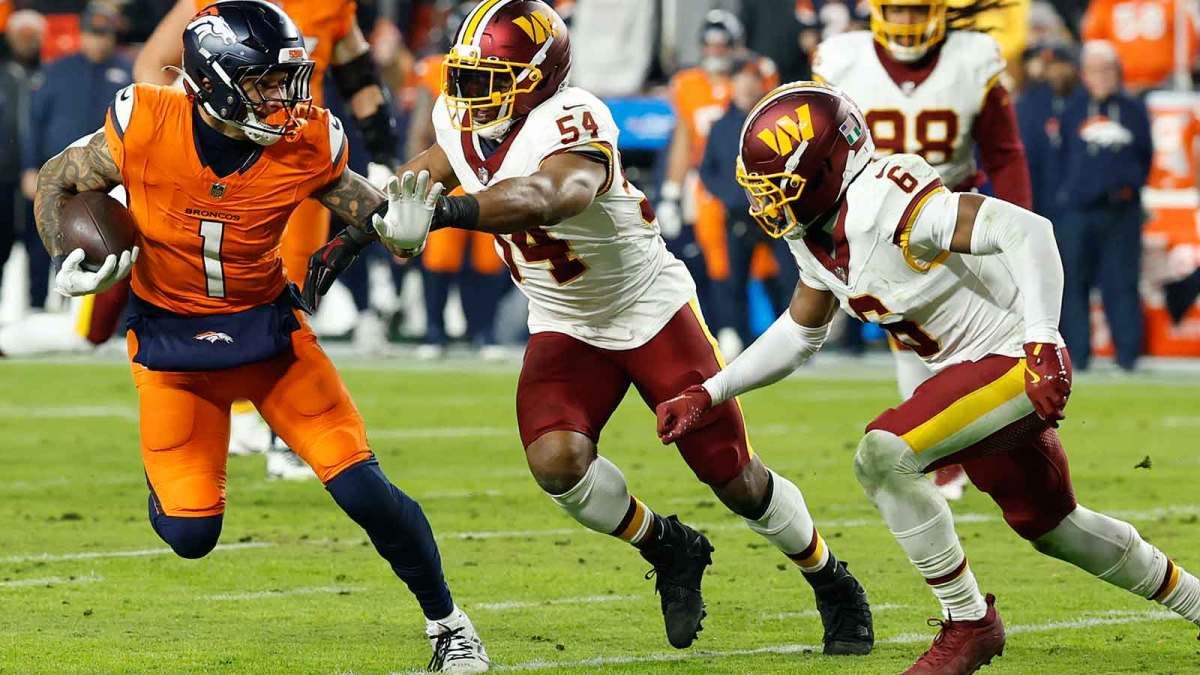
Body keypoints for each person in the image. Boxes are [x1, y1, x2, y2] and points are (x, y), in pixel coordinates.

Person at [305, 0, 874, 656]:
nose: (467, 95)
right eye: (465, 77)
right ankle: (668, 544)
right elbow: (432, 169)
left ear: (536, 80)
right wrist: (359, 230)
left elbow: (547, 196)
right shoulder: (462, 120)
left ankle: (829, 576)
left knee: (733, 475)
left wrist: (443, 215)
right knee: (556, 462)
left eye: (489, 79)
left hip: (646, 309)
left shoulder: (574, 119)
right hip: (565, 320)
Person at [657, 81, 1200, 675]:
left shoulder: (885, 200)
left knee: (882, 455)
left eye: (779, 189)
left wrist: (1045, 336)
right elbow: (800, 331)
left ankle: (968, 621)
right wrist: (711, 391)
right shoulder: (814, 233)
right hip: (967, 375)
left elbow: (1028, 231)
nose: (768, 206)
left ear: (826, 167)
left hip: (1014, 358)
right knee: (1054, 528)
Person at [32, 3, 487, 670]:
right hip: (171, 348)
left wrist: (409, 225)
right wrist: (61, 252)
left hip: (269, 335)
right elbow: (56, 178)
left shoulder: (306, 140)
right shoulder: (144, 122)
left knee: (361, 487)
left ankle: (449, 624)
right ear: (215, 81)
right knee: (190, 533)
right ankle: (170, 482)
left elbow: (371, 211)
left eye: (286, 81)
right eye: (265, 83)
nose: (284, 98)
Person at [133, 0, 401, 475]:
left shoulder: (332, 5)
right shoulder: (218, 8)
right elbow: (152, 66)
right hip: (217, 170)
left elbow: (357, 74)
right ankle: (221, 412)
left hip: (292, 163)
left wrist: (384, 153)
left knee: (292, 297)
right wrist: (179, 141)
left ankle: (286, 434)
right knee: (214, 292)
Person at [812, 0, 1032, 500]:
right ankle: (940, 451)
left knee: (983, 336)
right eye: (897, 10)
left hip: (954, 215)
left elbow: (1004, 152)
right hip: (875, 223)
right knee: (911, 336)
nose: (906, 22)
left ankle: (984, 446)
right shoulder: (840, 61)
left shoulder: (974, 57)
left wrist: (1017, 219)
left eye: (915, 10)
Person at [661, 10, 780, 356]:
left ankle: (781, 329)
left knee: (765, 262)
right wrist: (671, 192)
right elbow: (684, 138)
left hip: (757, 181)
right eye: (709, 45)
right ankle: (726, 329)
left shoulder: (752, 75)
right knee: (716, 257)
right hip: (709, 180)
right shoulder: (688, 83)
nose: (714, 52)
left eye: (721, 45)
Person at [1056, 40, 1153, 372]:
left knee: (1122, 283)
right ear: (1084, 74)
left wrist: (1127, 187)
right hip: (1078, 212)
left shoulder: (1133, 110)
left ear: (1119, 72)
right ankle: (1077, 358)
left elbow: (1145, 155)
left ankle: (1127, 357)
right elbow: (1062, 157)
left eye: (1108, 69)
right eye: (1096, 70)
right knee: (1074, 284)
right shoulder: (1071, 110)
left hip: (1120, 212)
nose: (1102, 77)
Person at [698, 58, 798, 344]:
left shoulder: (775, 121)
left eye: (751, 80)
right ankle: (741, 337)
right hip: (739, 215)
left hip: (776, 212)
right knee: (735, 279)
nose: (745, 86)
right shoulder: (720, 126)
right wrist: (730, 196)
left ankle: (793, 337)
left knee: (786, 276)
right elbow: (708, 169)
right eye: (740, 80)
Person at [1082, 0, 1197, 93]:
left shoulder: (1173, 4)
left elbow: (1187, 38)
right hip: (1120, 86)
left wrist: (1178, 70)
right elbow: (1094, 43)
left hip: (1164, 83)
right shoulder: (1105, 4)